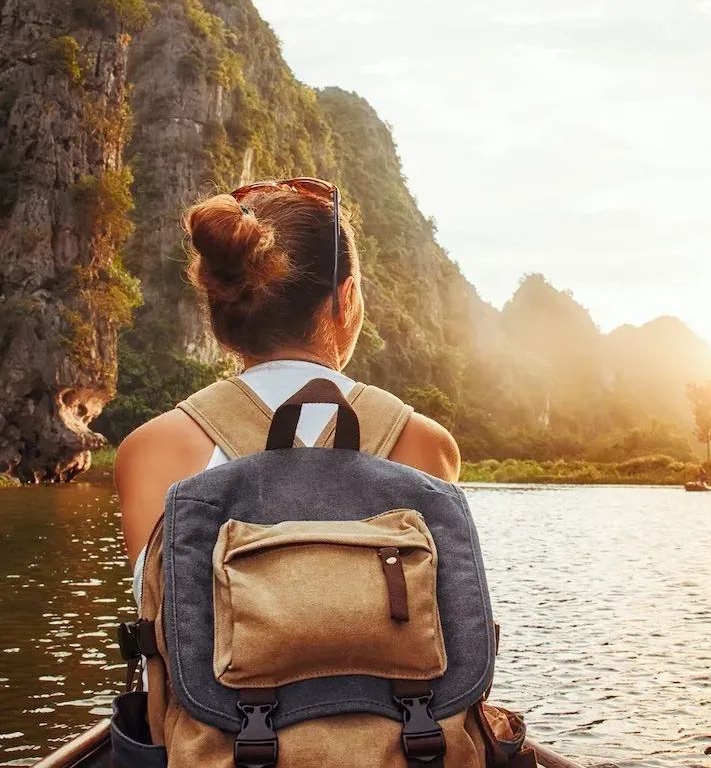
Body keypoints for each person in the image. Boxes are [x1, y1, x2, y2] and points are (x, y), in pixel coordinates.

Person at [114, 179, 460, 588]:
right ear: (346, 298)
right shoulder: (423, 444)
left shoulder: (151, 450)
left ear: (219, 304)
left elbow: (160, 613)